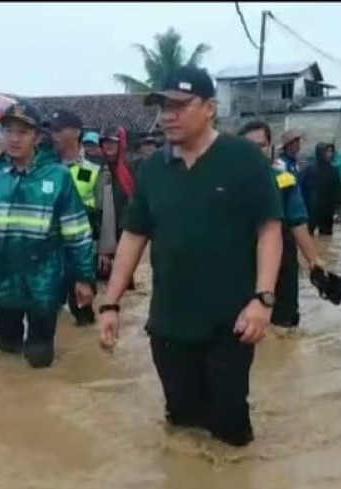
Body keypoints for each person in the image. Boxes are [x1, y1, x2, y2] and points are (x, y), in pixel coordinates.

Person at [98, 67, 284, 448]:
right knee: (181, 427)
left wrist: (263, 299)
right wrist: (111, 303)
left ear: (210, 108)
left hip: (231, 323)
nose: (168, 115)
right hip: (169, 325)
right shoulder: (151, 170)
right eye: (163, 106)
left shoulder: (244, 159)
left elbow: (269, 230)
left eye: (180, 105)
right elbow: (133, 236)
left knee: (231, 432)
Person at [0, 100, 95, 368]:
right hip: (4, 277)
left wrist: (84, 278)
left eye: (23, 132)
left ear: (37, 137)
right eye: (8, 131)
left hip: (44, 281)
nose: (14, 139)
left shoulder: (58, 176)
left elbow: (77, 230)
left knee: (39, 357)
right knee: (7, 352)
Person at [239, 120, 324, 329]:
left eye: (261, 145)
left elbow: (298, 223)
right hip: (240, 257)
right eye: (249, 146)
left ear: (270, 147)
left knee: (284, 323)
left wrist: (314, 259)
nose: (256, 151)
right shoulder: (227, 182)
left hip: (282, 253)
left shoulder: (284, 179)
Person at [49, 109, 101, 326]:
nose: (54, 134)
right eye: (52, 129)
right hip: (50, 251)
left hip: (80, 250)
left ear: (76, 132)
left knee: (82, 312)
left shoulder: (93, 169)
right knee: (48, 311)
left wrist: (105, 251)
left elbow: (104, 212)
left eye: (60, 129)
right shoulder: (45, 168)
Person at [97, 127, 136, 287]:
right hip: (102, 223)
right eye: (105, 142)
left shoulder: (128, 167)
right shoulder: (96, 166)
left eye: (113, 142)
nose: (109, 146)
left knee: (124, 275)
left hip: (124, 223)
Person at [304, 143, 341, 236]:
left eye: (331, 152)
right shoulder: (310, 170)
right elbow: (304, 189)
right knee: (309, 236)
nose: (329, 154)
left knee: (326, 237)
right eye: (327, 152)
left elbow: (338, 189)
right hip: (312, 209)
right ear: (320, 153)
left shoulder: (334, 171)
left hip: (327, 210)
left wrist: (340, 207)